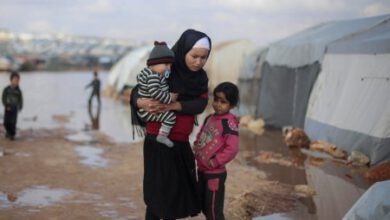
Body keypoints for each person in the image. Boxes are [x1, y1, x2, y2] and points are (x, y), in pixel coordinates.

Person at [130, 29, 212, 220]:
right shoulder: (166, 68)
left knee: (175, 192)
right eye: (194, 56)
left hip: (181, 143)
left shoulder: (200, 79)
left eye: (203, 57)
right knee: (159, 191)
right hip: (158, 141)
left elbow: (200, 103)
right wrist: (142, 102)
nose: (198, 62)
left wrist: (175, 104)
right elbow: (137, 90)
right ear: (183, 51)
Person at [193, 82, 240, 220]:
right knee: (204, 206)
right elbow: (201, 136)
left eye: (223, 102)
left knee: (214, 211)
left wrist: (215, 162)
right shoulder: (210, 118)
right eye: (216, 100)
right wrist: (195, 149)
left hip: (214, 174)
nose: (218, 104)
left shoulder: (229, 123)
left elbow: (232, 149)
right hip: (201, 170)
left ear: (231, 105)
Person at [136, 41, 177, 147]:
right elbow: (154, 92)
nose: (169, 68)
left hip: (147, 109)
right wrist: (169, 98)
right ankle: (162, 136)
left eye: (170, 65)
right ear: (154, 63)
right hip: (150, 110)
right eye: (166, 64)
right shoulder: (154, 76)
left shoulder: (152, 73)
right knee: (171, 117)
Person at [2, 72, 23, 140]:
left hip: (14, 108)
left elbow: (21, 99)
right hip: (7, 107)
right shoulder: (6, 89)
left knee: (13, 123)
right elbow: (3, 98)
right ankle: (8, 132)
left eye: (17, 80)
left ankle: (12, 134)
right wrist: (5, 104)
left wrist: (20, 106)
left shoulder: (18, 91)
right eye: (14, 80)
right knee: (6, 122)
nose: (16, 82)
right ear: (11, 80)